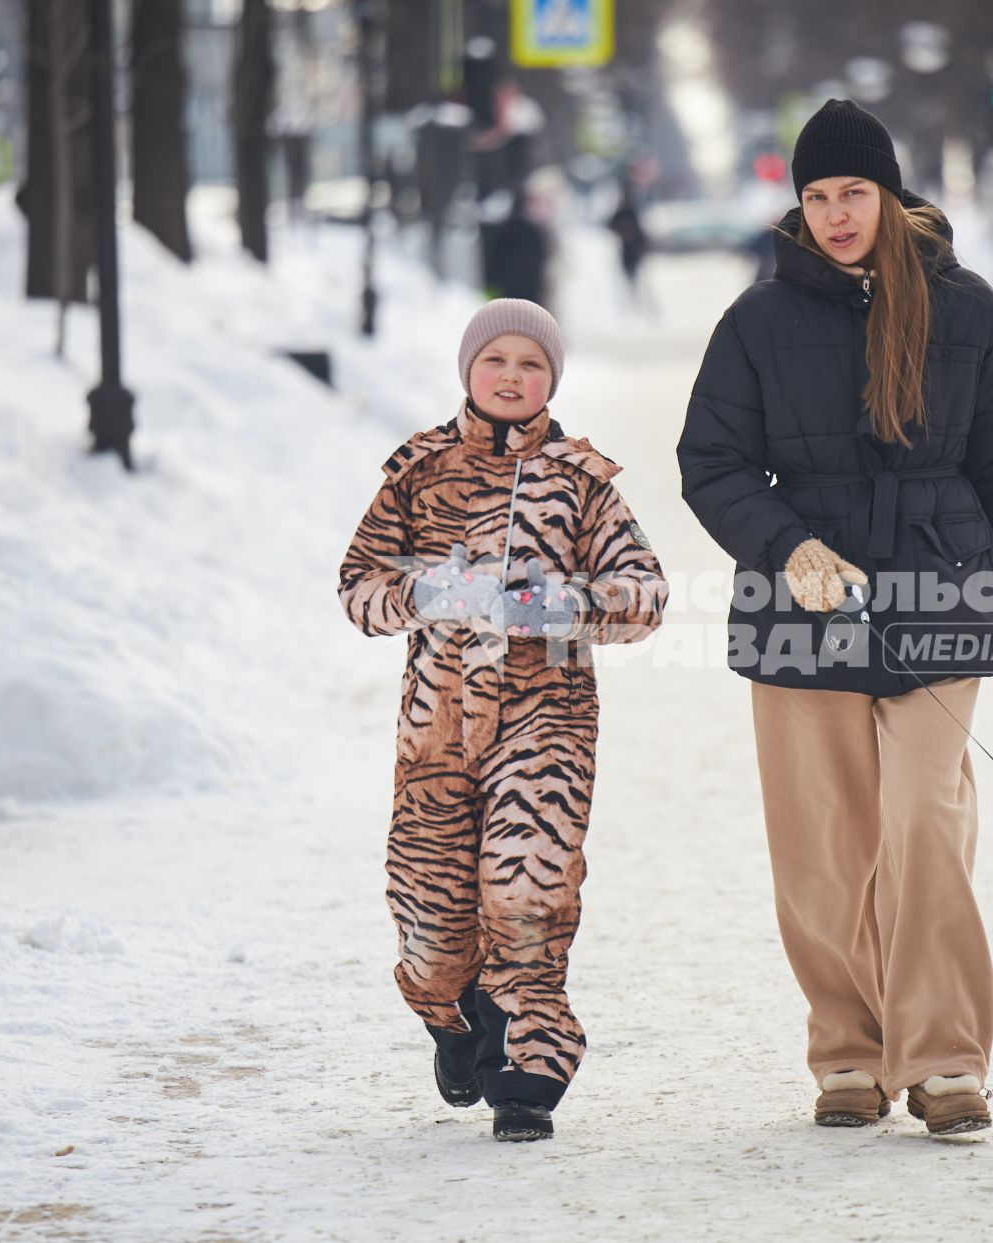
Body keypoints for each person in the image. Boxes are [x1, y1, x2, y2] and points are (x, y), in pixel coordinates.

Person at [676, 99, 993, 1137]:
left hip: (941, 590)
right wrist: (786, 546)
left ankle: (943, 1058)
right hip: (798, 602)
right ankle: (848, 1051)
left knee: (922, 822)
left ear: (892, 197)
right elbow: (710, 462)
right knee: (822, 845)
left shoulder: (970, 313)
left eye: (854, 192)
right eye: (817, 197)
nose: (837, 214)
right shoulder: (757, 321)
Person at [338, 299, 667, 1142]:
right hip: (438, 729)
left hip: (545, 720)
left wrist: (562, 605)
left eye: (532, 363)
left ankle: (531, 1068)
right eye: (497, 361)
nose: (513, 377)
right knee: (432, 924)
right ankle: (454, 1017)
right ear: (469, 372)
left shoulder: (580, 480)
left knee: (529, 891)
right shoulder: (419, 470)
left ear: (551, 379)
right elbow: (357, 587)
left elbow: (645, 594)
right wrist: (421, 592)